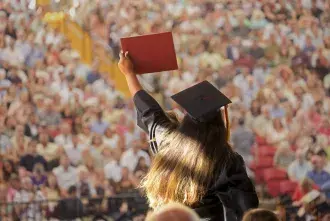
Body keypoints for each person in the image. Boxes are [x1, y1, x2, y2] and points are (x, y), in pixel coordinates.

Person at [118, 51, 258, 220]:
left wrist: (129, 74)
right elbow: (246, 208)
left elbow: (149, 110)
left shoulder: (168, 140)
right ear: (219, 126)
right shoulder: (226, 160)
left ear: (187, 120)